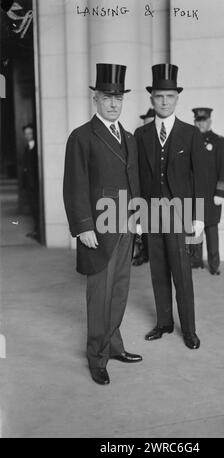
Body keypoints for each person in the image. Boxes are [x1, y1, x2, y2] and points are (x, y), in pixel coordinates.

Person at [63, 63, 142, 386]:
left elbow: (133, 179)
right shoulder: (82, 136)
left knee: (120, 290)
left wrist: (137, 219)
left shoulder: (129, 137)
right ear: (95, 98)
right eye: (107, 97)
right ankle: (96, 355)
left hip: (125, 226)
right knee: (100, 295)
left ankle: (114, 345)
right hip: (98, 229)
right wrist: (84, 227)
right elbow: (74, 185)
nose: (113, 104)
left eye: (118, 98)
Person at [134, 64, 206, 350]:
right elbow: (137, 177)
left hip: (179, 215)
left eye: (170, 96)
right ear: (151, 99)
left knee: (182, 274)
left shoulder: (190, 134)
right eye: (159, 96)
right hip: (151, 214)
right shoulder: (141, 135)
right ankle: (164, 322)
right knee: (158, 271)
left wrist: (198, 218)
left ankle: (188, 329)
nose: (164, 101)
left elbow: (200, 178)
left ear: (177, 99)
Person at [189, 108, 224, 275]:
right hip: (194, 194)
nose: (200, 123)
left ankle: (214, 265)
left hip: (211, 195)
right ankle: (195, 260)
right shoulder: (189, 141)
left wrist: (220, 193)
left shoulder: (219, 142)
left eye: (203, 120)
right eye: (198, 120)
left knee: (211, 230)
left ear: (210, 121)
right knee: (194, 228)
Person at [132, 109, 155, 267]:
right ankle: (143, 253)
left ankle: (156, 256)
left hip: (160, 193)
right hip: (142, 189)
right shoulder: (138, 137)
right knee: (142, 226)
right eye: (146, 121)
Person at [22, 123, 40, 240]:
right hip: (30, 184)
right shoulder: (27, 147)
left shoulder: (36, 148)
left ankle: (39, 231)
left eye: (30, 133)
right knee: (33, 209)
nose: (28, 135)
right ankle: (36, 230)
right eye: (26, 134)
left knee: (37, 208)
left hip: (36, 185)